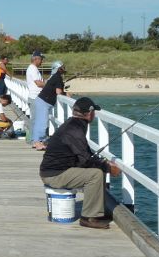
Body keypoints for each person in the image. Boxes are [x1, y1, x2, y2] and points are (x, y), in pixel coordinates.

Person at [39, 97, 121, 229]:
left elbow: (84, 154)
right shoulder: (75, 130)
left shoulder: (73, 125)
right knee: (95, 174)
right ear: (89, 113)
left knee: (98, 170)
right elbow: (85, 160)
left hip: (57, 171)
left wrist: (103, 164)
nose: (94, 115)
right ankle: (88, 218)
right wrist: (108, 168)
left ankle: (97, 211)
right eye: (94, 112)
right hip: (54, 175)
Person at [32, 61, 68, 150]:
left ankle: (35, 142)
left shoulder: (53, 76)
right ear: (59, 68)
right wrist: (66, 94)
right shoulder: (58, 77)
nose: (64, 68)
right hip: (44, 102)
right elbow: (58, 92)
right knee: (42, 123)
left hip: (41, 100)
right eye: (63, 67)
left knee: (39, 122)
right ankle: (38, 143)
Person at [25, 51, 45, 145]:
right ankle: (33, 140)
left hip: (35, 97)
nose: (42, 61)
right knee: (36, 120)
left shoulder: (34, 69)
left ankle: (34, 139)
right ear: (36, 59)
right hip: (35, 98)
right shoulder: (33, 69)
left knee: (36, 119)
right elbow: (39, 83)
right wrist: (49, 86)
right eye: (41, 59)